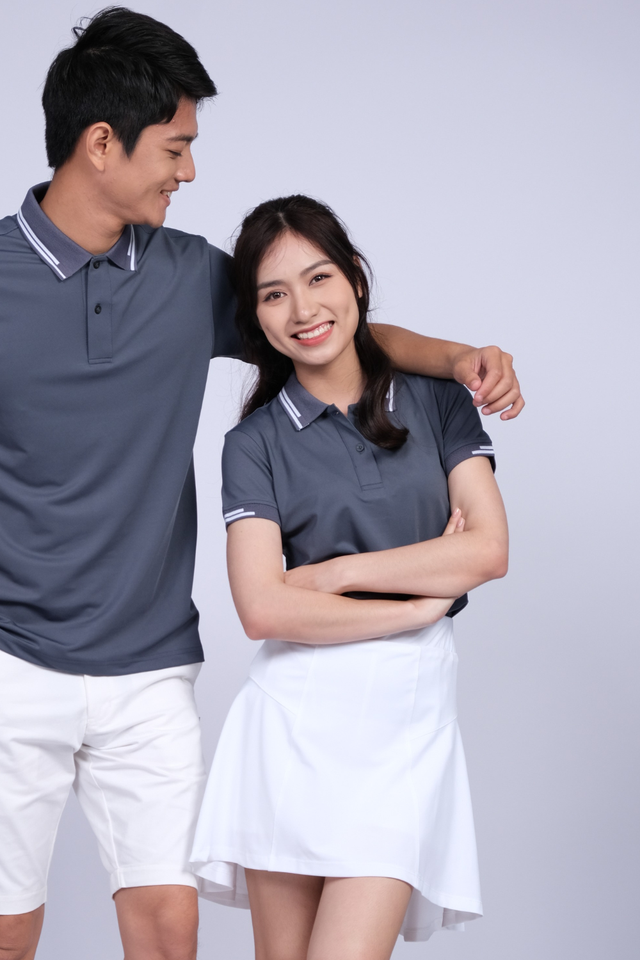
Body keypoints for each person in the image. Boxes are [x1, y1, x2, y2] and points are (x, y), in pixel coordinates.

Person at [0, 9, 522, 960]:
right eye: (175, 147)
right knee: (1, 932)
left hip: (151, 670)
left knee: (170, 929)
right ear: (101, 144)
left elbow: (329, 330)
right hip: (2, 657)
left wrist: (456, 358)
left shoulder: (191, 275)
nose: (190, 171)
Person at [189, 194, 510, 959]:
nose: (304, 309)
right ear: (256, 319)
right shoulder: (253, 443)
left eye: (319, 278)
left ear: (356, 280)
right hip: (292, 725)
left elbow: (488, 550)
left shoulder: (437, 399)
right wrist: (413, 607)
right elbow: (263, 610)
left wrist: (335, 575)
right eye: (274, 294)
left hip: (406, 727)